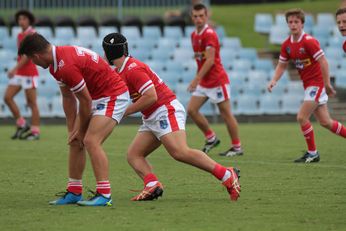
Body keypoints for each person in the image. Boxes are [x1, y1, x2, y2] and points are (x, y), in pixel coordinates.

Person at [102, 33, 241, 201]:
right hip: (152, 115)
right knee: (134, 155)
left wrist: (124, 112)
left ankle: (226, 174)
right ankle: (152, 185)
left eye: (104, 52)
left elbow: (151, 96)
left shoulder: (133, 69)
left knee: (179, 152)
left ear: (109, 53)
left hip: (165, 110)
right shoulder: (121, 70)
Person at [18, 33, 130, 206]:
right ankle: (74, 192)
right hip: (96, 97)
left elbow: (85, 101)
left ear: (36, 56)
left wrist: (79, 129)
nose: (35, 64)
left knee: (91, 140)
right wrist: (72, 129)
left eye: (32, 61)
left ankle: (105, 194)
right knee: (76, 141)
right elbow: (68, 98)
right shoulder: (56, 64)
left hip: (113, 96)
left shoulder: (65, 66)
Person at [267, 8, 346, 163]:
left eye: (296, 21)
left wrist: (327, 84)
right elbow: (282, 65)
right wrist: (274, 80)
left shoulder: (309, 42)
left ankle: (312, 153)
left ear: (302, 24)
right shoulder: (286, 45)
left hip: (316, 85)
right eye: (290, 22)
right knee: (325, 122)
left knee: (302, 117)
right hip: (308, 86)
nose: (293, 25)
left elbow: (323, 61)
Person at [187, 3, 243, 157]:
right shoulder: (194, 35)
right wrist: (199, 78)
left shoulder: (210, 34)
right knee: (191, 110)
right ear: (192, 17)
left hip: (217, 81)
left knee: (226, 114)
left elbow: (210, 60)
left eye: (201, 16)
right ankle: (211, 138)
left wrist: (196, 79)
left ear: (207, 16)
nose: (198, 19)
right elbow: (201, 59)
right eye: (195, 16)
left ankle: (237, 147)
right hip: (204, 81)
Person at [4, 10, 40, 140]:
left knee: (31, 103)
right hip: (20, 73)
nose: (21, 21)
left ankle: (35, 132)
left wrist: (14, 69)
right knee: (7, 97)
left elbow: (27, 56)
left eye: (24, 19)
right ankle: (22, 123)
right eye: (19, 19)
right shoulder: (20, 35)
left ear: (29, 20)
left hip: (29, 73)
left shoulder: (32, 34)